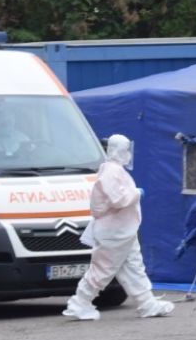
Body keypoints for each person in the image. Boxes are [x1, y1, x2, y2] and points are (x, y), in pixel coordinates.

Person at [62, 134, 174, 320]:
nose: (129, 153)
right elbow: (118, 199)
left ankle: (147, 303)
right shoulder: (111, 172)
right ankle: (80, 303)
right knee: (103, 269)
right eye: (126, 150)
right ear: (118, 151)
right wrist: (136, 193)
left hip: (124, 230)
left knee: (134, 266)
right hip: (114, 231)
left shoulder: (115, 170)